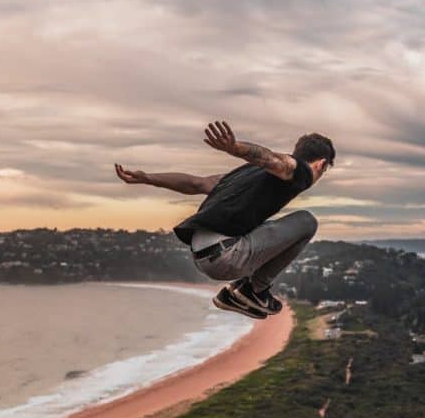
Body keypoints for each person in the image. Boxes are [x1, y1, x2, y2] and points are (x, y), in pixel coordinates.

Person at [115, 120, 334, 319]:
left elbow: (196, 184)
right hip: (226, 257)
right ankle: (255, 289)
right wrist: (235, 148)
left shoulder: (245, 174)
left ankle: (234, 294)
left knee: (269, 225)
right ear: (321, 164)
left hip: (204, 255)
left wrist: (149, 179)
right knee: (307, 221)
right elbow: (277, 161)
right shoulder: (301, 171)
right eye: (323, 171)